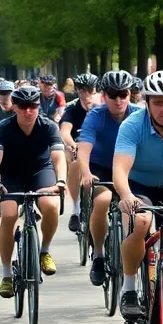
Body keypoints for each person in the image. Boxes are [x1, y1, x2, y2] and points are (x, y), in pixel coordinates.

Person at [111, 70, 163, 320]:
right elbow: (119, 169)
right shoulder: (132, 125)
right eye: (158, 102)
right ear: (146, 103)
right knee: (140, 222)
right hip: (140, 187)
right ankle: (128, 289)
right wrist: (126, 195)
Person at [0, 84, 67, 296]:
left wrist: (61, 181)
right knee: (9, 215)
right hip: (10, 174)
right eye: (23, 106)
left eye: (33, 106)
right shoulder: (3, 128)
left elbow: (58, 156)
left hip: (39, 171)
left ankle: (45, 251)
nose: (28, 111)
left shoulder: (48, 126)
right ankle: (6, 274)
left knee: (50, 205)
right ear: (14, 106)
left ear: (39, 106)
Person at [80, 70, 142, 286]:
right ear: (104, 96)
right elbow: (84, 147)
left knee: (137, 208)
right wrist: (86, 173)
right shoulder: (95, 116)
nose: (118, 100)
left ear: (130, 94)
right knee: (103, 200)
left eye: (123, 94)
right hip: (101, 169)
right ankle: (98, 254)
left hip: (128, 170)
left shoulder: (138, 114)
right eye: (112, 94)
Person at [60, 73, 101, 233]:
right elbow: (65, 131)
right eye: (82, 90)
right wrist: (72, 145)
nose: (86, 94)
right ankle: (76, 210)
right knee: (75, 162)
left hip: (98, 147)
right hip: (77, 145)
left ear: (95, 90)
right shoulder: (72, 108)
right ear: (77, 91)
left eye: (89, 90)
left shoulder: (101, 109)